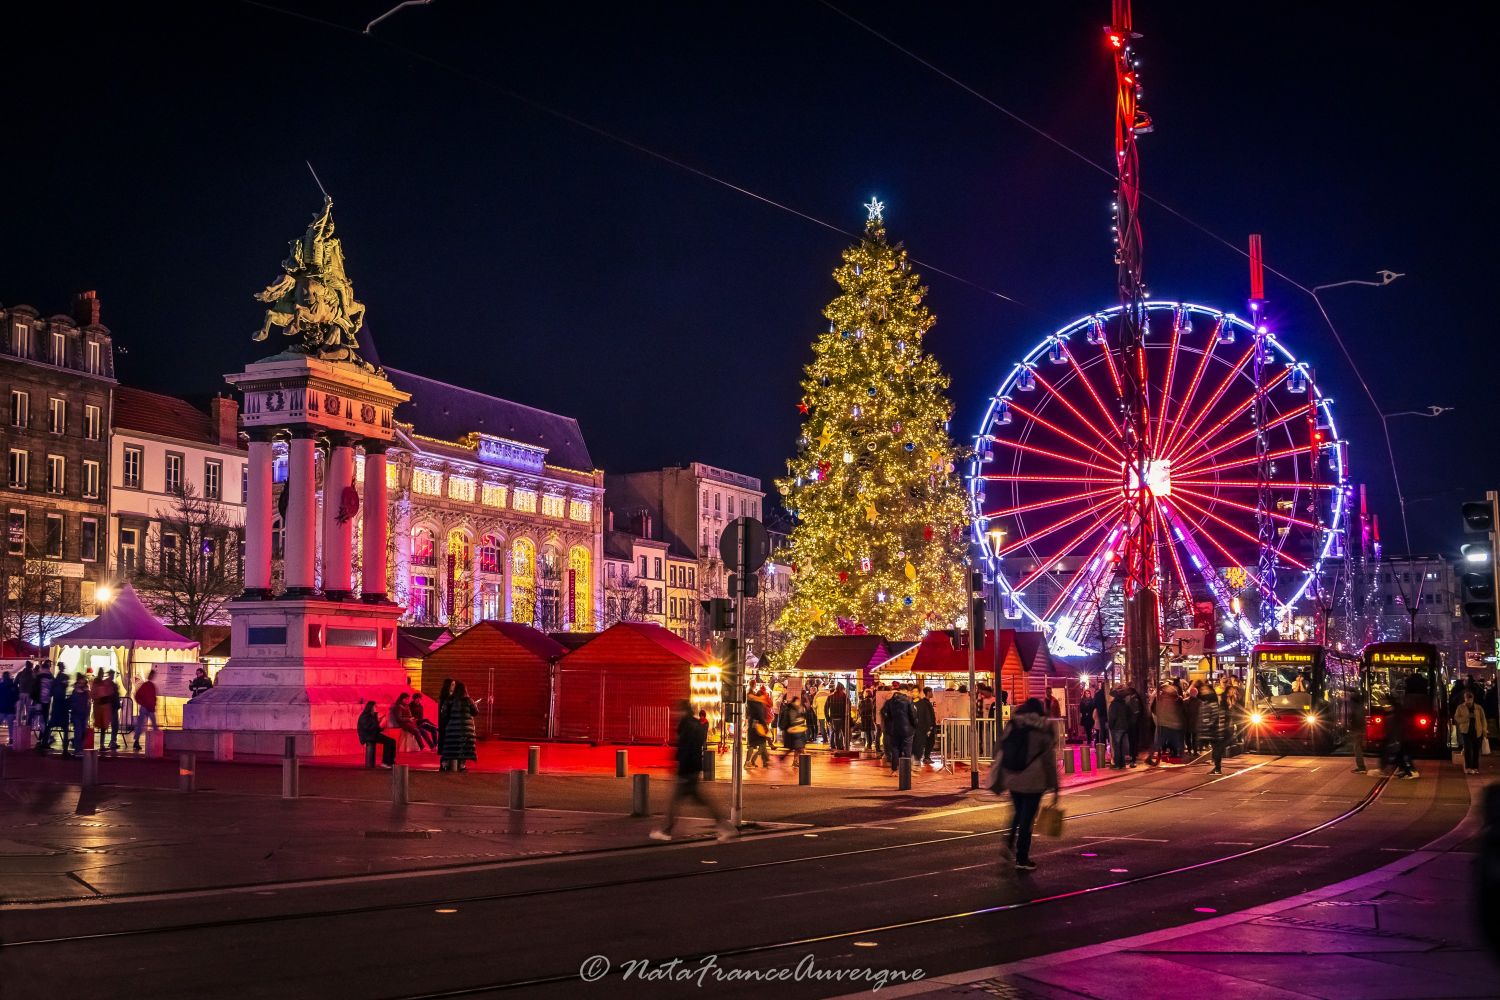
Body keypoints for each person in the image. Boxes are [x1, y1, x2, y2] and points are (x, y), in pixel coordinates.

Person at [651, 700, 735, 842]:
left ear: (683, 711)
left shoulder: (686, 726)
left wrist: (680, 768)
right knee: (702, 800)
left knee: (675, 800)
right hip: (694, 768)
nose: (675, 714)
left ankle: (666, 830)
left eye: (677, 711)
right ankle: (726, 827)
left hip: (687, 770)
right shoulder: (696, 724)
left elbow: (685, 749)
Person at [997, 698, 1059, 872]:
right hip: (1035, 779)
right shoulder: (1045, 727)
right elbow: (1048, 760)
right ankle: (1022, 858)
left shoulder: (1013, 724)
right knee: (1027, 818)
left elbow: (1001, 748)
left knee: (1018, 811)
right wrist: (1054, 785)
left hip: (1013, 776)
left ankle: (1009, 841)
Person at [440, 681, 478, 772]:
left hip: (452, 728)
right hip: (466, 729)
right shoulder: (469, 700)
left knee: (450, 747)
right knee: (465, 748)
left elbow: (443, 713)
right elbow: (475, 712)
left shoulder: (449, 700)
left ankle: (445, 765)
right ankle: (462, 766)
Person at [881, 683, 917, 772]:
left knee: (895, 749)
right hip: (907, 730)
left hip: (894, 730)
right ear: (904, 691)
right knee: (907, 750)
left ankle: (894, 770)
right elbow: (912, 715)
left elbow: (884, 714)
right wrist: (915, 725)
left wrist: (889, 725)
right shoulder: (908, 701)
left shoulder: (889, 701)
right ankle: (906, 771)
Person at [1198, 681, 1232, 775]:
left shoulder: (1213, 703)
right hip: (1211, 732)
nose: (1202, 691)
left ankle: (1217, 768)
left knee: (1216, 750)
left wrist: (1209, 727)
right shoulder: (1206, 703)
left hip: (1215, 732)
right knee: (1215, 750)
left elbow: (1215, 718)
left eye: (1204, 690)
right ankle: (1217, 767)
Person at [1455, 689, 1488, 775]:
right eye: (1467, 699)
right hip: (1466, 731)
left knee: (1476, 750)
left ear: (1473, 699)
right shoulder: (1460, 707)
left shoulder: (1478, 708)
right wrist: (1466, 718)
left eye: (1470, 699)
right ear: (1464, 698)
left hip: (1477, 731)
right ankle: (1468, 767)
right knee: (1468, 749)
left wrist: (1484, 730)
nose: (1468, 701)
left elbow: (1483, 719)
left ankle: (1475, 767)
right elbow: (1457, 718)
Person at [1150, 682, 1184, 764]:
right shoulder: (1178, 700)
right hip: (1174, 724)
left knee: (1159, 741)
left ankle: (1153, 756)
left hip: (1164, 723)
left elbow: (1153, 709)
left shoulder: (1160, 699)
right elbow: (1182, 711)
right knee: (1174, 741)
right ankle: (1176, 754)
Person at [357, 700, 396, 768]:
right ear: (371, 707)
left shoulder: (373, 715)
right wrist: (379, 724)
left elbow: (376, 727)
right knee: (388, 742)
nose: (376, 708)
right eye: (375, 706)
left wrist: (382, 725)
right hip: (368, 736)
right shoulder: (365, 716)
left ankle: (391, 761)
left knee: (392, 741)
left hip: (373, 734)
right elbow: (368, 727)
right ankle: (385, 762)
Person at [132, 669, 159, 752]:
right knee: (152, 725)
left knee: (141, 725)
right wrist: (151, 704)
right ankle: (158, 742)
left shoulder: (147, 685)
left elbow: (138, 696)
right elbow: (152, 697)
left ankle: (136, 741)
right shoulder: (150, 686)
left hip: (146, 707)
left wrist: (143, 703)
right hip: (148, 707)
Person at [92, 670, 117, 751]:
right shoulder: (101, 683)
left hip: (104, 707)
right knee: (103, 726)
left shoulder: (103, 683)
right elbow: (101, 694)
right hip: (102, 707)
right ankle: (102, 744)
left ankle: (102, 744)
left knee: (103, 727)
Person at [745, 688, 771, 767]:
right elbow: (761, 717)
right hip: (758, 727)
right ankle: (754, 760)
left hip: (752, 726)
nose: (764, 698)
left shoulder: (751, 703)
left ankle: (749, 762)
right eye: (763, 696)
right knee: (762, 744)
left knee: (752, 745)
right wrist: (765, 728)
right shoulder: (758, 704)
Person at [913, 687, 938, 765]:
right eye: (931, 692)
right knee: (929, 741)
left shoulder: (926, 702)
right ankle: (926, 757)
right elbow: (927, 716)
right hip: (928, 726)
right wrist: (930, 726)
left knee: (929, 741)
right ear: (928, 692)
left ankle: (926, 757)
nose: (932, 693)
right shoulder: (925, 703)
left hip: (929, 725)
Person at [1108, 687, 1132, 769]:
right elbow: (1128, 715)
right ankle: (1122, 763)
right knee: (1122, 746)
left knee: (1117, 746)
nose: (1109, 698)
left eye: (1110, 696)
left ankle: (1117, 764)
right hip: (1124, 727)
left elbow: (1112, 717)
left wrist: (1110, 726)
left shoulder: (1113, 705)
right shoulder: (1124, 704)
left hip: (1116, 728)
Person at [68, 676, 91, 758]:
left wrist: (87, 714)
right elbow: (73, 703)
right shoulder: (75, 691)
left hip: (83, 714)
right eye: (81, 682)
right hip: (76, 714)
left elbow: (88, 703)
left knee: (83, 732)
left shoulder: (86, 692)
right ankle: (78, 749)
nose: (82, 683)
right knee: (79, 731)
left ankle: (77, 745)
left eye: (83, 682)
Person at [47, 672, 70, 755]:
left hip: (57, 712)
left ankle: (46, 743)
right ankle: (65, 749)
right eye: (66, 680)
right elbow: (61, 701)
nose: (67, 682)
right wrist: (68, 702)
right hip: (60, 712)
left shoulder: (57, 688)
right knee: (65, 729)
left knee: (49, 727)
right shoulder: (60, 689)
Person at [780, 695, 808, 760]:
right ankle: (804, 760)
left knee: (796, 747)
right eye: (798, 701)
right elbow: (793, 721)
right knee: (799, 747)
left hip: (797, 730)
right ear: (795, 701)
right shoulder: (793, 709)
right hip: (795, 730)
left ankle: (786, 758)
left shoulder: (796, 708)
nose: (799, 702)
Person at [1348, 688, 1369, 773]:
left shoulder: (1353, 704)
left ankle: (1361, 767)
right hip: (1360, 728)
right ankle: (1361, 767)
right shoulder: (1360, 703)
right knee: (1358, 747)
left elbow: (1356, 717)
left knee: (1357, 748)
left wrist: (1352, 725)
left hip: (1357, 729)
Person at [825, 683, 850, 752]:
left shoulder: (830, 697)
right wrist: (849, 718)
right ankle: (842, 746)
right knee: (843, 732)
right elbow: (849, 708)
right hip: (842, 718)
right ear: (842, 689)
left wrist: (828, 718)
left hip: (833, 718)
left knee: (835, 732)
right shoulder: (845, 697)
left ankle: (837, 746)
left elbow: (826, 708)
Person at [436, 678, 455, 757]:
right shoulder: (445, 696)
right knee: (444, 735)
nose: (454, 686)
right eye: (452, 685)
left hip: (448, 718)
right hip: (445, 719)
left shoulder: (451, 695)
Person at [0, 671, 17, 743]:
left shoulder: (1, 685)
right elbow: (16, 698)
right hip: (10, 709)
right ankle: (11, 739)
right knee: (11, 725)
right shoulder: (13, 686)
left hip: (2, 708)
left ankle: (11, 739)